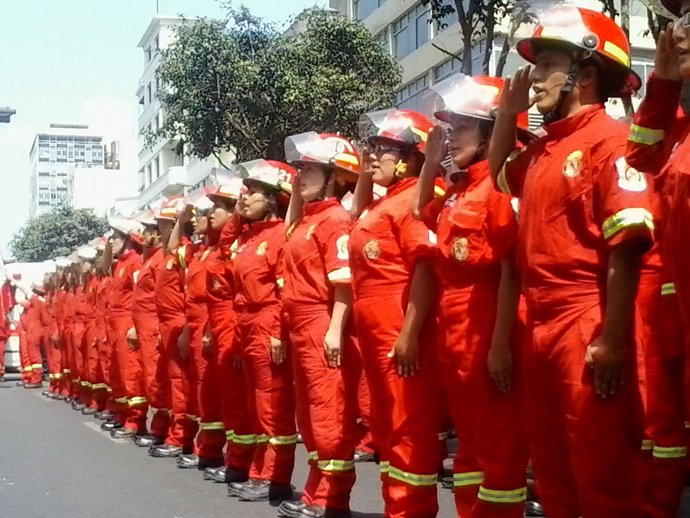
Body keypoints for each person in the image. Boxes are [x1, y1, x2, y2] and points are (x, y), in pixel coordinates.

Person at [488, 5, 653, 518]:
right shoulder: (542, 150)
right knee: (552, 469)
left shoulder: (614, 143)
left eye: (545, 67)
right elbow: (498, 175)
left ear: (582, 75)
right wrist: (504, 114)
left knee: (601, 471)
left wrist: (610, 337)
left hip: (587, 318)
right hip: (539, 324)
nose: (533, 80)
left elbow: (625, 249)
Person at [412, 74, 530, 518]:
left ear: (489, 134)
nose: (451, 137)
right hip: (454, 333)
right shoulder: (457, 191)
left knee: (497, 448)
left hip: (486, 328)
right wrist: (430, 159)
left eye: (461, 128)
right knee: (468, 451)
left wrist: (500, 344)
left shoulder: (497, 191)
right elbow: (418, 210)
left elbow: (509, 271)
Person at [348, 108, 445, 518]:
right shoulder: (381, 203)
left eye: (381, 149)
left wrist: (408, 333)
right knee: (387, 427)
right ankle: (396, 509)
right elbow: (355, 211)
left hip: (396, 322)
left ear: (408, 156)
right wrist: (367, 171)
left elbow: (423, 267)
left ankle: (412, 511)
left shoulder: (410, 202)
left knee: (408, 427)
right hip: (374, 324)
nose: (371, 157)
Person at [277, 132, 362, 518]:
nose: (301, 175)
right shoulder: (309, 220)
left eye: (310, 169)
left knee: (328, 411)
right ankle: (316, 492)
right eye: (300, 168)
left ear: (333, 176)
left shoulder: (335, 222)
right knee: (309, 414)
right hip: (299, 324)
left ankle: (330, 498)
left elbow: (342, 282)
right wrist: (296, 190)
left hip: (320, 320)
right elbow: (290, 224)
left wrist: (334, 329)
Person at [225, 159, 297, 503]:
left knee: (273, 406)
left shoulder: (280, 235)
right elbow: (225, 246)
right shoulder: (247, 237)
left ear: (272, 198)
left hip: (269, 320)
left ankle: (273, 477)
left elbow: (285, 290)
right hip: (246, 323)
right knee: (255, 404)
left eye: (252, 192)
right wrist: (238, 215)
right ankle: (258, 470)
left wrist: (279, 333)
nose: (245, 196)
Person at [149, 197, 197, 457]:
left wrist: (185, 331)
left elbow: (191, 295)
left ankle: (181, 438)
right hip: (167, 323)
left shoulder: (187, 253)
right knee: (170, 384)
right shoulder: (169, 254)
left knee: (181, 385)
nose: (160, 230)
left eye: (165, 224)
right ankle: (174, 434)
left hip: (179, 322)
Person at [100, 218, 145, 438]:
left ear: (127, 239)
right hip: (114, 323)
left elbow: (140, 296)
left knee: (130, 374)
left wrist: (135, 326)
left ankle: (135, 420)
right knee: (117, 373)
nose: (111, 242)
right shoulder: (119, 264)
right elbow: (102, 266)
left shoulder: (135, 262)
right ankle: (122, 414)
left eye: (115, 238)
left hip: (127, 321)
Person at [126, 211, 169, 442]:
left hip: (153, 323)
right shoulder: (150, 259)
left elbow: (160, 297)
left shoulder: (160, 258)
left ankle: (161, 429)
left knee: (156, 379)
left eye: (147, 230)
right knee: (149, 377)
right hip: (144, 324)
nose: (143, 235)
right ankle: (158, 428)